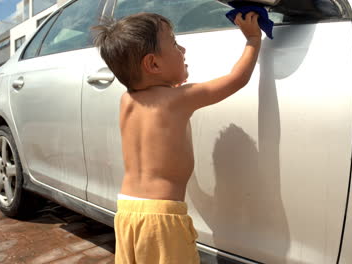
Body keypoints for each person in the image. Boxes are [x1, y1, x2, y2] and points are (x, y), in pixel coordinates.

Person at [92, 10, 261, 264]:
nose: (182, 49)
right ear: (153, 64)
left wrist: (170, 84)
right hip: (162, 219)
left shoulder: (126, 100)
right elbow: (237, 79)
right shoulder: (180, 99)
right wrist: (252, 40)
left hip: (127, 212)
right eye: (173, 43)